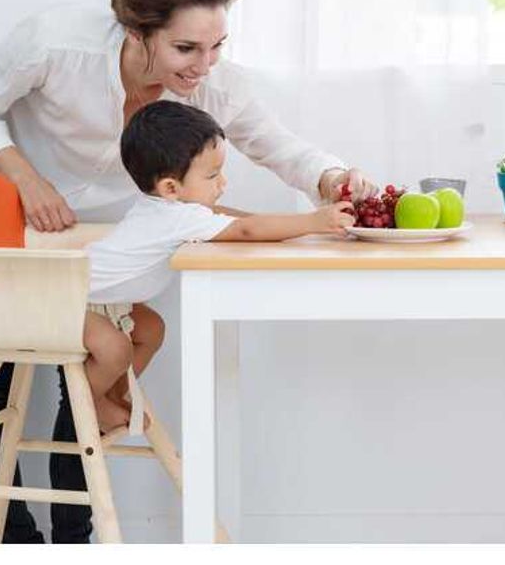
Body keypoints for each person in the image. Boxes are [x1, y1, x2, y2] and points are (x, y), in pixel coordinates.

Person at [0, 0, 376, 542]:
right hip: (24, 235)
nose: (203, 66)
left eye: (217, 45)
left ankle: (73, 537)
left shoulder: (214, 84)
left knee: (85, 389)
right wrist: (27, 178)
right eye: (185, 48)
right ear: (135, 29)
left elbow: (280, 147)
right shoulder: (53, 44)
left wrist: (333, 178)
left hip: (114, 251)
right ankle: (13, 539)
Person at [83, 100, 355, 433]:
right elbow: (245, 230)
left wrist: (281, 225)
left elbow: (238, 222)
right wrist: (313, 222)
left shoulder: (165, 208)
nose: (221, 183)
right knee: (116, 348)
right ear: (171, 187)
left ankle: (114, 392)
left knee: (151, 330)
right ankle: (88, 403)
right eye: (212, 175)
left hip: (102, 300)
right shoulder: (178, 216)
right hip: (69, 299)